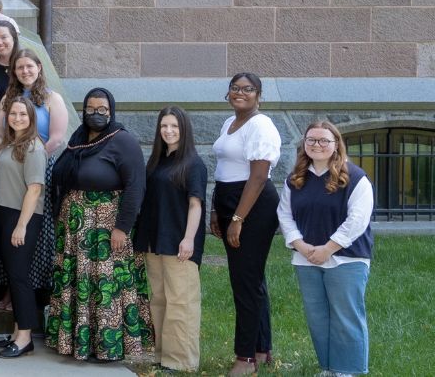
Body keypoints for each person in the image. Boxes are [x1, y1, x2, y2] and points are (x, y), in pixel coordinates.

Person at [46, 87, 153, 363]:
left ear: (111, 111)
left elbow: (135, 187)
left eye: (102, 109)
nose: (96, 114)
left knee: (106, 285)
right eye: (91, 109)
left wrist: (122, 228)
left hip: (106, 227)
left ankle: (108, 347)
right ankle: (78, 342)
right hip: (76, 228)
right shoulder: (79, 139)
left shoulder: (123, 141)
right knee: (80, 284)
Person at [279, 119, 374, 377]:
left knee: (345, 316)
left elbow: (357, 220)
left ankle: (347, 370)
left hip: (346, 259)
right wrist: (301, 245)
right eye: (311, 140)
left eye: (324, 140)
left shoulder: (355, 177)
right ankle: (328, 368)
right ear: (304, 144)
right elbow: (284, 215)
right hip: (306, 258)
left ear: (336, 144)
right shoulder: (295, 180)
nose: (317, 144)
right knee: (318, 318)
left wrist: (327, 249)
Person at [210, 72, 283, 374]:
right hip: (229, 201)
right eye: (235, 88)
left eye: (248, 89)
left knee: (245, 282)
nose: (240, 93)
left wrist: (237, 219)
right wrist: (216, 210)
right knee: (250, 279)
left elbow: (258, 176)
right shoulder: (230, 123)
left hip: (252, 205)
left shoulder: (261, 125)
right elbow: (223, 168)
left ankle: (246, 359)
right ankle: (261, 350)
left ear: (259, 95)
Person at [135, 105, 206, 374]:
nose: (168, 131)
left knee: (181, 301)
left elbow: (196, 205)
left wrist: (189, 239)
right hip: (155, 242)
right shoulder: (156, 162)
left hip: (179, 242)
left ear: (184, 129)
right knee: (159, 299)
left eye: (174, 126)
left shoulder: (194, 164)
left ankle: (181, 361)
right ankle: (163, 355)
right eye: (164, 126)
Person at [0, 97, 46, 359]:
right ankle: (16, 333)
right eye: (13, 113)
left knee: (20, 276)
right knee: (13, 275)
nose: (18, 118)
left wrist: (21, 226)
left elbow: (34, 190)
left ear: (31, 118)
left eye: (23, 114)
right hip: (2, 213)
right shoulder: (6, 145)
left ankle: (25, 337)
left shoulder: (34, 147)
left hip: (22, 216)